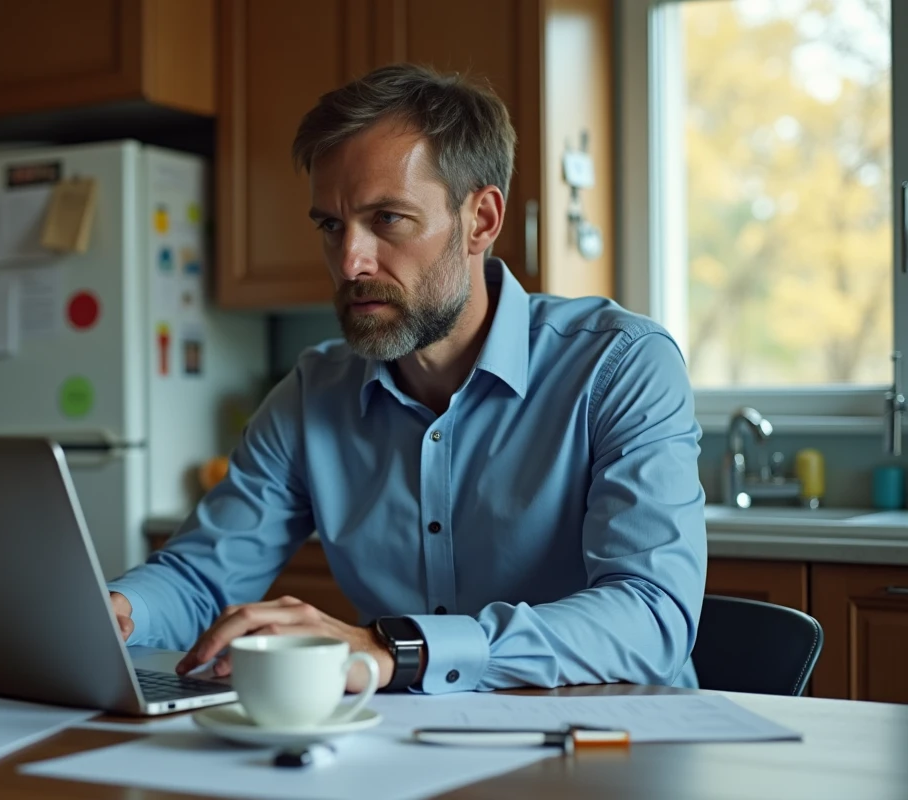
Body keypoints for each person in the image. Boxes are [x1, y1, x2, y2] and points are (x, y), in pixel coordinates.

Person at [105, 63, 706, 694]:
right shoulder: (314, 394)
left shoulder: (621, 365)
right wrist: (120, 611)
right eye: (331, 225)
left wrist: (400, 650)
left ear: (481, 220)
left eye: (387, 219)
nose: (349, 261)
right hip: (408, 750)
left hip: (609, 750)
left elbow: (650, 614)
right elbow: (202, 578)